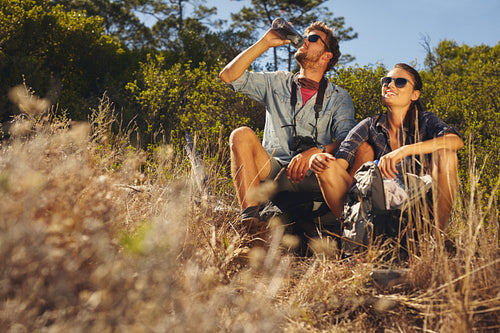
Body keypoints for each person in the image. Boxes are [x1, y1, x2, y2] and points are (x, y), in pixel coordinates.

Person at [219, 21, 367, 230]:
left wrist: (316, 152)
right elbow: (228, 76)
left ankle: (351, 225)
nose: (305, 40)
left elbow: (347, 139)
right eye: (305, 36)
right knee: (240, 135)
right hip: (274, 170)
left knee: (360, 149)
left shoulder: (339, 97)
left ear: (327, 55)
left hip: (314, 173)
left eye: (313, 38)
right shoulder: (278, 81)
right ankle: (250, 224)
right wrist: (264, 43)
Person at [309, 63, 464, 231]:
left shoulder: (426, 121)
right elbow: (340, 164)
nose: (389, 85)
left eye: (400, 82)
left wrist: (405, 150)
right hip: (375, 209)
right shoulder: (370, 125)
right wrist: (319, 160)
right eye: (386, 80)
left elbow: (455, 141)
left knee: (447, 155)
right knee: (326, 167)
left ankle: (435, 238)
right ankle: (357, 236)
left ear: (415, 94)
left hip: (418, 207)